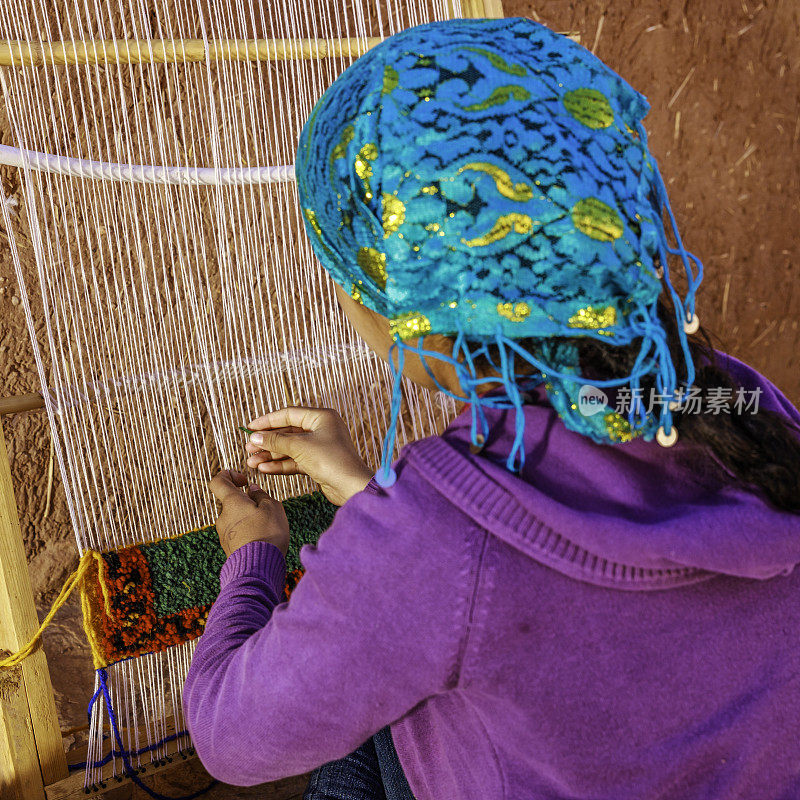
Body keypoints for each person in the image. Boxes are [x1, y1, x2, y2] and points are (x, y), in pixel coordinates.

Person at [183, 17, 800, 800]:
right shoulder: (740, 402)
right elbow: (515, 581)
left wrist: (254, 555)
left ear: (401, 304)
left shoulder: (431, 544)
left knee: (355, 723)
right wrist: (373, 498)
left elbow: (228, 740)